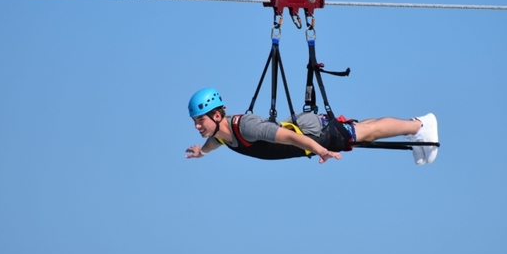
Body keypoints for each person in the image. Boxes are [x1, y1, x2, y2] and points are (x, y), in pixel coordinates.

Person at [185, 87, 439, 165]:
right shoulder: (221, 136)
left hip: (310, 133)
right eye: (196, 122)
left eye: (201, 120)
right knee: (357, 130)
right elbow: (214, 142)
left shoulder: (246, 127)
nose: (198, 126)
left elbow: (288, 138)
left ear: (217, 116)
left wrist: (320, 150)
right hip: (308, 135)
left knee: (363, 133)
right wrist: (202, 151)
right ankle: (413, 128)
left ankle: (419, 125)